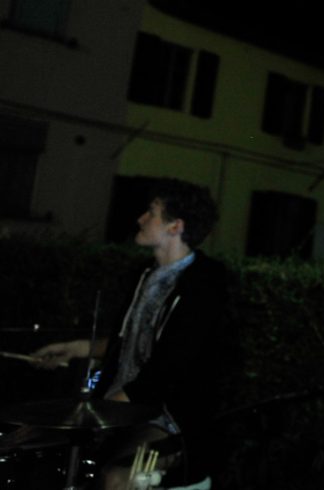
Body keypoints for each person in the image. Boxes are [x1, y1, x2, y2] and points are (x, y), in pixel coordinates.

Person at [33, 178, 225, 489]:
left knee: (117, 478)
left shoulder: (203, 285)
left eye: (152, 212)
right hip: (124, 410)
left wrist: (106, 408)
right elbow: (130, 342)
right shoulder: (145, 275)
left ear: (175, 226)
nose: (141, 219)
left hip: (165, 419)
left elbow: (171, 366)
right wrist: (76, 348)